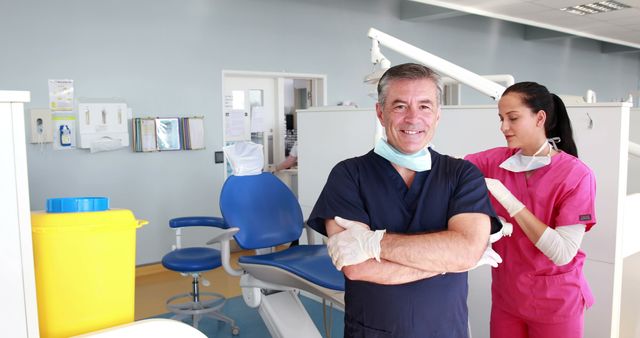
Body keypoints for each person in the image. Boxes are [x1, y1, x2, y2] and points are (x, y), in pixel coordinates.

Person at [307, 63, 502, 338]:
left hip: (445, 330)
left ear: (437, 115)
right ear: (380, 112)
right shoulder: (349, 175)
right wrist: (449, 260)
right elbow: (356, 266)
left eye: (424, 106)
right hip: (373, 331)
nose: (413, 118)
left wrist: (372, 243)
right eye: (400, 106)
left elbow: (466, 251)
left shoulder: (461, 174)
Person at [464, 82, 596, 338]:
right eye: (501, 118)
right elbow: (447, 170)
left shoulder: (577, 175)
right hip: (508, 298)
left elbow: (562, 252)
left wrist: (509, 201)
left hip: (556, 302)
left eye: (513, 118)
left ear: (540, 118)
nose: (504, 127)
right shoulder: (494, 160)